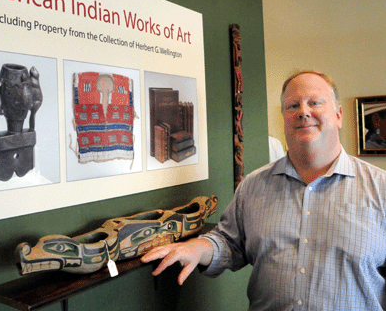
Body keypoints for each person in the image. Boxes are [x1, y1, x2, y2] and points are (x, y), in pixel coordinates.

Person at [142, 70, 386, 310]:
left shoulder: (380, 188)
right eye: (292, 106)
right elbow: (229, 242)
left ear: (339, 115)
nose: (303, 112)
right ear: (283, 116)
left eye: (315, 102)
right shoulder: (254, 185)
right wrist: (198, 246)